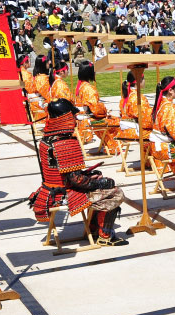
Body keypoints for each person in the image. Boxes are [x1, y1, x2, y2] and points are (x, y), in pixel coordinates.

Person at [28, 100, 128, 246]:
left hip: (49, 189)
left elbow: (65, 172)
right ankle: (104, 235)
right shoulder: (65, 143)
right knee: (115, 192)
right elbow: (76, 180)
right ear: (65, 117)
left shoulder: (46, 139)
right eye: (73, 116)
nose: (75, 120)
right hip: (66, 192)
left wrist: (89, 175)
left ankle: (95, 228)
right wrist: (99, 182)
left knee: (101, 181)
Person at [74, 63, 121, 155]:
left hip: (85, 115)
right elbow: (96, 108)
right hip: (92, 117)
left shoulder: (81, 86)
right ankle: (113, 146)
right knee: (117, 121)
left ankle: (108, 144)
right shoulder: (89, 88)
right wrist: (104, 111)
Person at [116, 70, 152, 141]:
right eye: (143, 78)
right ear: (138, 81)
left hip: (124, 131)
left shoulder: (126, 96)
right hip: (135, 131)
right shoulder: (138, 97)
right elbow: (145, 117)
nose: (145, 80)